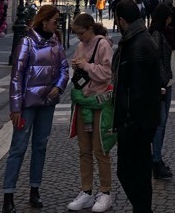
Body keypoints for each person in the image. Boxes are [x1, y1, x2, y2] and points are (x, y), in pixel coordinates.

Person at [2, 5, 69, 212]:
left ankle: (34, 190)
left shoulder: (56, 43)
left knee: (40, 146)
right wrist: (15, 108)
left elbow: (64, 69)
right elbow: (16, 78)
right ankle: (8, 194)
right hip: (26, 106)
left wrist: (58, 87)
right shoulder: (26, 42)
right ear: (44, 21)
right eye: (55, 20)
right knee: (18, 147)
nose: (57, 24)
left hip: (47, 105)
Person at [112, 0, 162, 213]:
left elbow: (137, 89)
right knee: (139, 170)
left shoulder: (138, 43)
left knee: (128, 170)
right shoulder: (143, 38)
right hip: (144, 120)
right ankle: (142, 208)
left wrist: (128, 123)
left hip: (136, 122)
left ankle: (142, 209)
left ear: (122, 21)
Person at [67, 14, 115, 212]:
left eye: (80, 33)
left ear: (89, 29)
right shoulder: (80, 46)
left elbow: (108, 73)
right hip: (82, 102)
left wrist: (86, 66)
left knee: (100, 149)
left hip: (99, 102)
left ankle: (105, 192)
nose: (78, 37)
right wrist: (76, 67)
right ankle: (86, 191)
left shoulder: (103, 45)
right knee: (84, 150)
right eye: (75, 33)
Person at [149, 3, 175, 179]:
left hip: (168, 84)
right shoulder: (157, 35)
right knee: (159, 122)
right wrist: (159, 84)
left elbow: (174, 55)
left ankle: (155, 157)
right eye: (169, 17)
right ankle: (155, 160)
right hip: (160, 86)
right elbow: (155, 62)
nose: (171, 20)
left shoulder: (168, 34)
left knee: (161, 123)